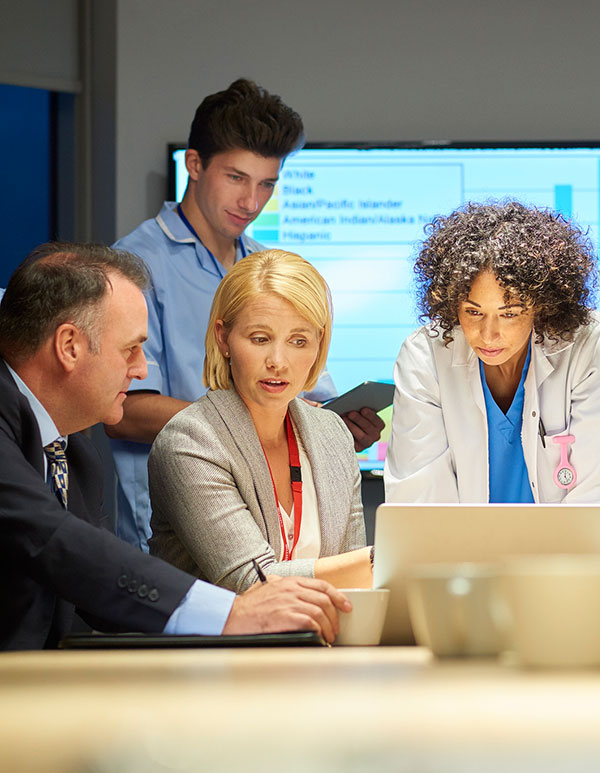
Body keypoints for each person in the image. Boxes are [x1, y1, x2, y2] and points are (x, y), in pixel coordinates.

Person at [0, 242, 351, 650]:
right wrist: (230, 611)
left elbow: (97, 589)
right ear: (69, 346)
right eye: (131, 348)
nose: (142, 369)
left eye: (299, 341)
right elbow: (54, 541)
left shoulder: (74, 453)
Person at [106, 79, 384, 551]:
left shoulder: (268, 267)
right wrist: (255, 420)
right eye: (236, 178)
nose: (252, 202)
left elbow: (311, 395)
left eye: (266, 184)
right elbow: (122, 409)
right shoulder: (134, 267)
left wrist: (338, 429)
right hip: (170, 532)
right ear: (194, 164)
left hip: (279, 523)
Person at [148, 250, 372, 591]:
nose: (278, 362)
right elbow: (252, 582)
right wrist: (382, 561)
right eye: (260, 339)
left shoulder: (332, 434)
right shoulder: (190, 441)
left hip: (322, 640)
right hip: (213, 644)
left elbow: (357, 585)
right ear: (223, 338)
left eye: (299, 341)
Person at [385, 201, 600, 504]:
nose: (488, 334)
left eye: (510, 314)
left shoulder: (591, 344)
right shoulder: (426, 355)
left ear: (543, 305)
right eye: (473, 312)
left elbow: (597, 494)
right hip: (457, 549)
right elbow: (419, 501)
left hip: (568, 547)